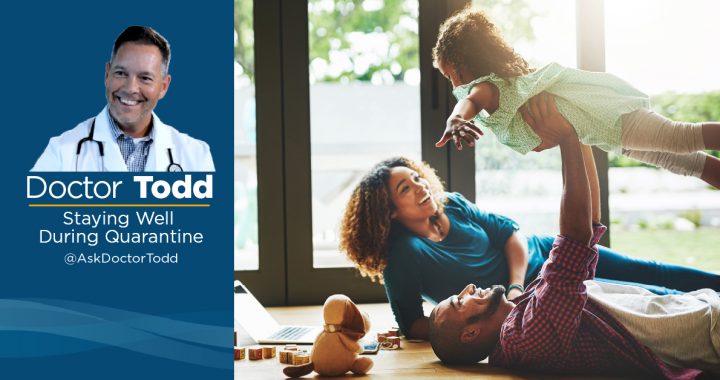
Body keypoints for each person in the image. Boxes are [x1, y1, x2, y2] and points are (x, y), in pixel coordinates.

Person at [339, 106, 720, 342]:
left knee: (655, 272)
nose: (421, 186)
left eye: (418, 177)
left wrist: (516, 286)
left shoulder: (451, 204)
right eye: (406, 188)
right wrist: (483, 331)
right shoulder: (403, 256)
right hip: (543, 298)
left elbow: (511, 233)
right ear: (388, 211)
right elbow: (413, 324)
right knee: (651, 297)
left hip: (549, 256)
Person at [428, 94, 719, 378]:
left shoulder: (523, 311)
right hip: (706, 331)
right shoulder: (524, 336)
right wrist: (566, 138)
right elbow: (575, 239)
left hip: (699, 310)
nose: (467, 288)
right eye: (459, 301)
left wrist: (578, 133)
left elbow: (588, 227)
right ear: (471, 333)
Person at [431, 7, 720, 188]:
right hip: (605, 131)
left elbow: (469, 102)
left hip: (608, 117)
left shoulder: (487, 88)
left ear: (460, 62)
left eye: (450, 76)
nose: (454, 85)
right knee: (683, 162)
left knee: (681, 137)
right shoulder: (509, 87)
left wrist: (456, 120)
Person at [31, 26, 214, 172]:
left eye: (145, 78)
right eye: (120, 73)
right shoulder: (62, 152)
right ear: (107, 74)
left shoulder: (196, 156)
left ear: (163, 87)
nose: (130, 88)